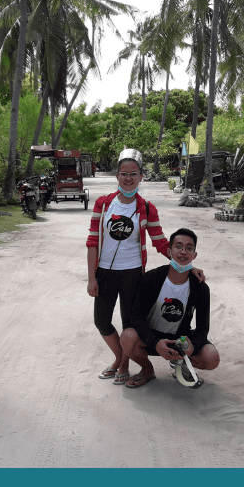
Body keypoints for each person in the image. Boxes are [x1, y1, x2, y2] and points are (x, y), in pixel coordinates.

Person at [86, 149, 203, 385]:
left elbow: (160, 242)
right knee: (101, 320)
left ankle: (125, 365)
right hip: (105, 272)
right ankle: (120, 359)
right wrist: (91, 277)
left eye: (133, 174)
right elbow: (92, 242)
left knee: (129, 323)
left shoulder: (147, 208)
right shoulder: (103, 203)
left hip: (132, 273)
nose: (128, 178)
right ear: (116, 176)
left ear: (141, 177)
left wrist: (187, 266)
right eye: (123, 174)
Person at [119, 228, 220, 388]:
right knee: (127, 336)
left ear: (194, 255)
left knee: (211, 357)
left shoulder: (200, 288)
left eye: (189, 248)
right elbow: (136, 317)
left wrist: (191, 345)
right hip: (152, 339)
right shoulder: (152, 278)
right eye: (178, 246)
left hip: (180, 340)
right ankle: (147, 370)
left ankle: (180, 363)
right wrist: (156, 342)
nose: (183, 252)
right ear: (169, 251)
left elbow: (202, 329)